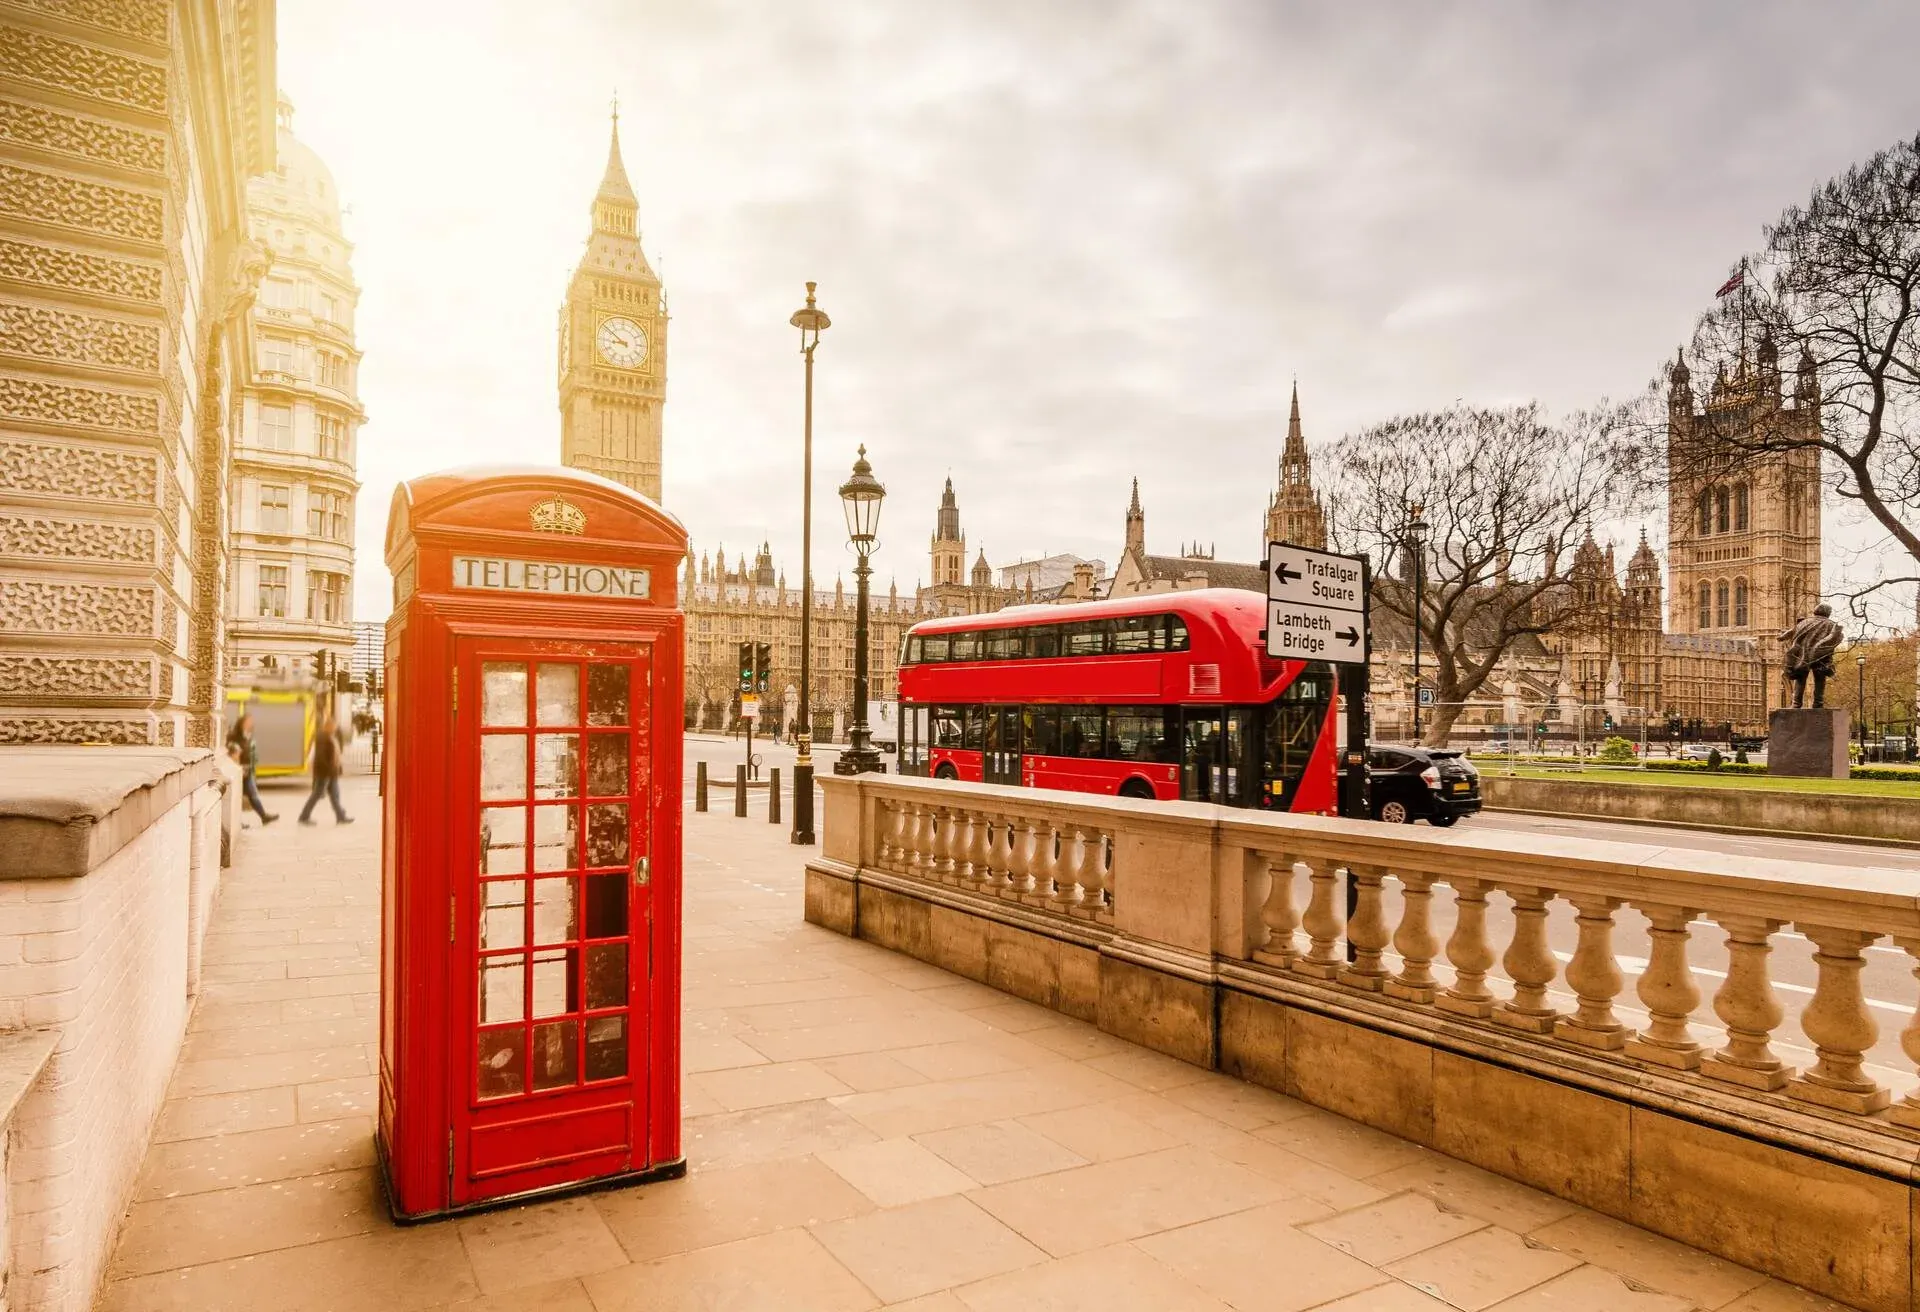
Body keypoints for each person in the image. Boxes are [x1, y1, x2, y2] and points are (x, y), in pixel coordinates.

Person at [1779, 604, 1845, 709]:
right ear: (1828, 613)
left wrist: (1782, 637)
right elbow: (1835, 638)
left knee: (1800, 679)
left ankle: (1796, 704)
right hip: (1820, 656)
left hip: (1803, 655)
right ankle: (1818, 704)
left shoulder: (1804, 622)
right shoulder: (1830, 624)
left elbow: (1791, 632)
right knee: (1819, 680)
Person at [299, 711, 353, 825]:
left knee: (334, 795)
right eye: (334, 726)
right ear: (328, 726)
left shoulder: (328, 736)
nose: (335, 728)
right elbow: (321, 756)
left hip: (331, 772)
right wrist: (328, 770)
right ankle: (304, 816)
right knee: (317, 794)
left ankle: (340, 816)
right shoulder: (323, 737)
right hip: (325, 772)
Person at [225, 712, 278, 824]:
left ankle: (263, 816)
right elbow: (233, 752)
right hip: (239, 771)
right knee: (238, 798)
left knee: (252, 796)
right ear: (242, 723)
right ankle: (240, 822)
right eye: (248, 721)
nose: (251, 723)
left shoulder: (247, 735)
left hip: (247, 771)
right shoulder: (235, 735)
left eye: (251, 722)